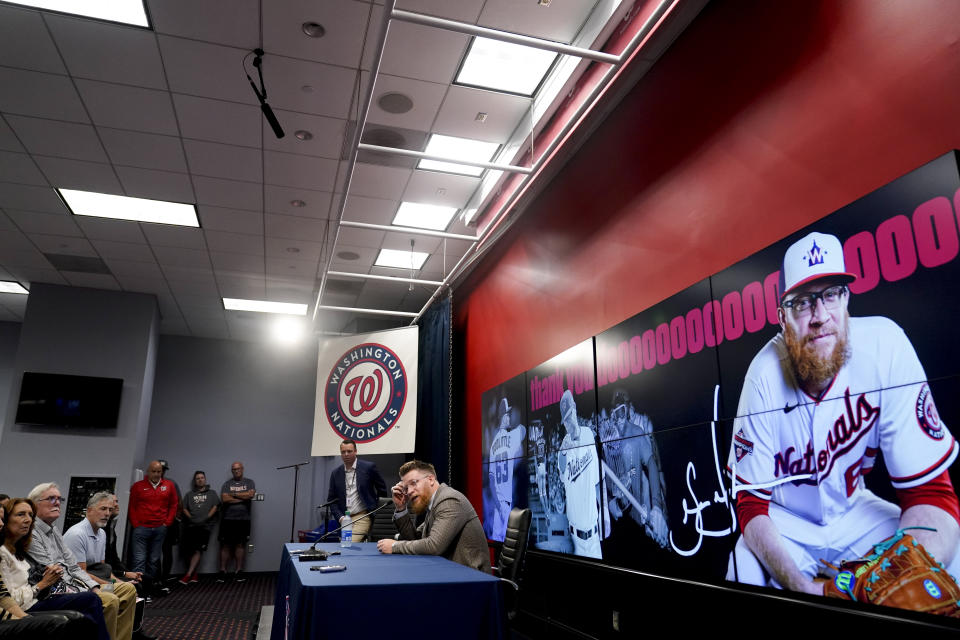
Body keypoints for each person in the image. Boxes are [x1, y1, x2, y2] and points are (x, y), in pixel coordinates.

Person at [725, 231, 960, 595]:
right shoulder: (764, 376)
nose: (820, 316)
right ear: (782, 318)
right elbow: (751, 506)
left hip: (853, 511)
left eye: (831, 294)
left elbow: (930, 493)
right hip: (787, 522)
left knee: (953, 553)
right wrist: (805, 587)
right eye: (803, 303)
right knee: (743, 564)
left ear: (846, 300)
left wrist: (908, 569)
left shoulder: (886, 346)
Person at [0, 497, 110, 640]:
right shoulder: (4, 552)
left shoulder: (19, 549)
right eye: (21, 514)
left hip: (37, 597)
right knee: (92, 601)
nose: (28, 520)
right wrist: (42, 585)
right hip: (29, 603)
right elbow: (8, 598)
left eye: (30, 515)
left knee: (94, 604)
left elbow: (71, 565)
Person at [376, 460, 489, 573]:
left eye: (414, 483)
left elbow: (434, 546)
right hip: (450, 570)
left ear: (430, 479)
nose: (409, 491)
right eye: (406, 488)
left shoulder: (449, 500)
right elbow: (414, 539)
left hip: (470, 577)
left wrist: (395, 546)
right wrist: (401, 508)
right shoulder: (435, 503)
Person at [61, 492, 145, 640]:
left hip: (96, 582)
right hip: (79, 585)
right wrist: (109, 585)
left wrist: (118, 582)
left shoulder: (101, 534)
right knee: (111, 596)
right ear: (89, 510)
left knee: (129, 588)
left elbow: (103, 569)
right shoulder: (77, 534)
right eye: (103, 509)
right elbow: (81, 574)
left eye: (110, 510)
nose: (107, 513)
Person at [598, 390, 669, 547]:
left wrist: (656, 507)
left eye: (622, 410)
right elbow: (602, 475)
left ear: (628, 409)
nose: (620, 416)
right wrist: (609, 502)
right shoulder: (606, 437)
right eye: (616, 411)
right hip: (616, 517)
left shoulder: (637, 432)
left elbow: (651, 463)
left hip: (636, 518)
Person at [556, 390, 602, 558]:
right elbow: (561, 471)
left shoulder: (588, 434)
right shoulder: (564, 445)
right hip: (575, 540)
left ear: (574, 410)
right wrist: (563, 453)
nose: (567, 422)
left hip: (594, 537)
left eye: (569, 416)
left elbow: (596, 480)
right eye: (565, 420)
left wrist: (603, 508)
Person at [128, 462, 178, 597]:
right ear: (148, 472)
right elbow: (132, 506)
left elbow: (174, 504)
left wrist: (167, 522)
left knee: (154, 560)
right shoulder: (138, 487)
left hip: (160, 529)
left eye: (159, 472)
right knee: (139, 560)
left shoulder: (169, 486)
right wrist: (136, 524)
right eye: (154, 471)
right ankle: (137, 592)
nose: (156, 474)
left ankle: (148, 591)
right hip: (141, 528)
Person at [326, 440, 387, 543]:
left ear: (355, 452)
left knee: (348, 543)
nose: (346, 454)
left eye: (349, 451)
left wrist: (375, 510)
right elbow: (332, 500)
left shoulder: (368, 467)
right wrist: (340, 518)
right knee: (345, 547)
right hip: (344, 519)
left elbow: (382, 490)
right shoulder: (336, 473)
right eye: (343, 452)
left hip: (362, 516)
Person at [487, 399, 526, 539]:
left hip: (498, 504)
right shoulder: (514, 435)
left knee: (498, 545)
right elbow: (523, 429)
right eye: (507, 413)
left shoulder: (493, 444)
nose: (510, 416)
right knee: (512, 547)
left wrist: (497, 505)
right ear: (503, 416)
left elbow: (491, 480)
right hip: (509, 503)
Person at [179, 471, 219, 584]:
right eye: (197, 478)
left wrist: (206, 517)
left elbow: (215, 506)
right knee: (188, 551)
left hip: (204, 526)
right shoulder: (189, 494)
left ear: (205, 479)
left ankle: (187, 575)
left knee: (197, 550)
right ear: (195, 481)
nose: (200, 480)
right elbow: (184, 508)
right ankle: (194, 574)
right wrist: (190, 517)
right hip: (190, 525)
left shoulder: (212, 493)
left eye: (202, 478)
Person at [218, 462, 255, 582]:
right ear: (231, 471)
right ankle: (223, 571)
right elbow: (224, 499)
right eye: (234, 469)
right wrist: (242, 497)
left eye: (238, 469)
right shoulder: (227, 484)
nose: (236, 471)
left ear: (242, 469)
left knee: (240, 545)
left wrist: (233, 494)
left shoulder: (249, 482)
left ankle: (238, 571)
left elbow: (250, 495)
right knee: (225, 545)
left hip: (243, 519)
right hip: (228, 519)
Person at [157, 461, 182, 586]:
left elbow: (178, 502)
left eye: (163, 469)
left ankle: (165, 577)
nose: (161, 471)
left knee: (167, 550)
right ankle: (156, 578)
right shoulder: (149, 484)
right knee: (154, 551)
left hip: (169, 523)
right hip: (153, 523)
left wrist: (174, 519)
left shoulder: (171, 483)